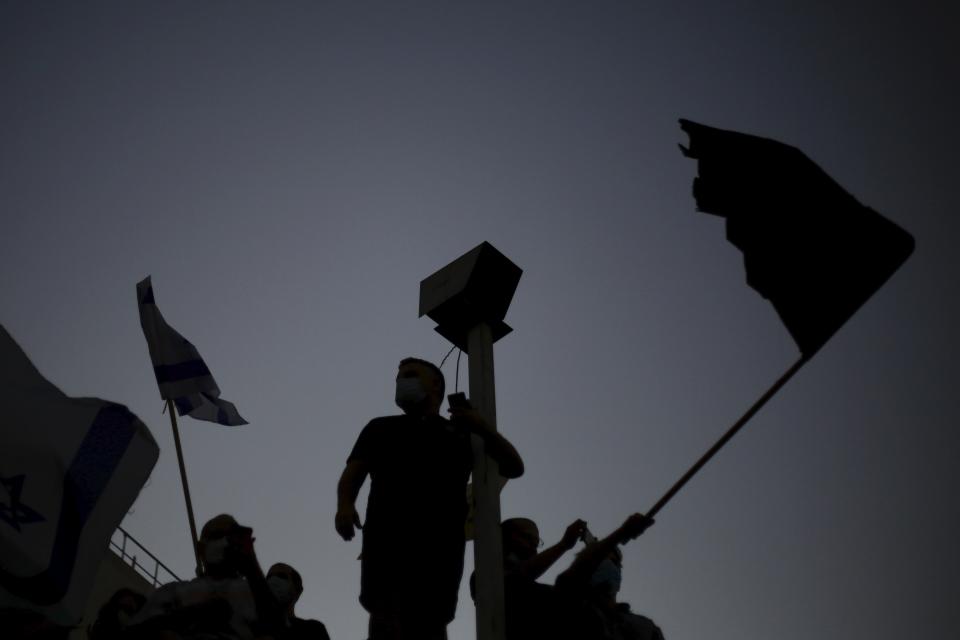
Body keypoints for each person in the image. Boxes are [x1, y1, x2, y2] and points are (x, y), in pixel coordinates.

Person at [335, 357, 525, 640]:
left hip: (440, 553)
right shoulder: (381, 427)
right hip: (387, 547)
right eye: (398, 377)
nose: (401, 382)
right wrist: (345, 506)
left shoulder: (461, 434)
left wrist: (480, 426)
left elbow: (513, 466)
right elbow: (354, 472)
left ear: (435, 384)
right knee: (386, 623)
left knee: (431, 625)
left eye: (410, 374)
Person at [494, 514, 654, 640]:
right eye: (528, 538)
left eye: (537, 543)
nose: (534, 547)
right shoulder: (491, 584)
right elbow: (566, 582)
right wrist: (618, 534)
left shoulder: (643, 627)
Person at [128, 514, 282, 640]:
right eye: (218, 536)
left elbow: (280, 628)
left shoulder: (255, 593)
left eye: (231, 537)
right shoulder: (174, 590)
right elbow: (137, 629)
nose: (226, 542)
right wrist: (195, 614)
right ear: (201, 549)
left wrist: (251, 565)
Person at [265, 562, 330, 640]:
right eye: (269, 577)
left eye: (282, 576)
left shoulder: (312, 629)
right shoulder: (252, 624)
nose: (273, 580)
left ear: (297, 590)